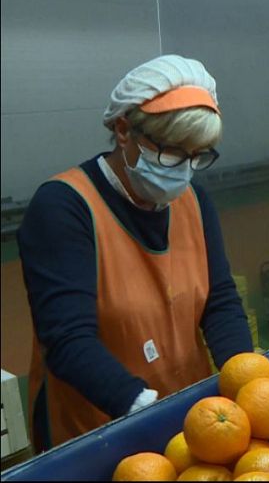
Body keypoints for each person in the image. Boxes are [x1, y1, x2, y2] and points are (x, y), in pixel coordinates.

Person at [18, 55, 253, 450]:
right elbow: (68, 340)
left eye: (199, 156)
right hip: (99, 428)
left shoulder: (193, 201)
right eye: (172, 153)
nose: (184, 169)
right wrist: (145, 408)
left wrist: (248, 380)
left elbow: (220, 302)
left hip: (189, 423)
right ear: (124, 131)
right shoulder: (65, 207)